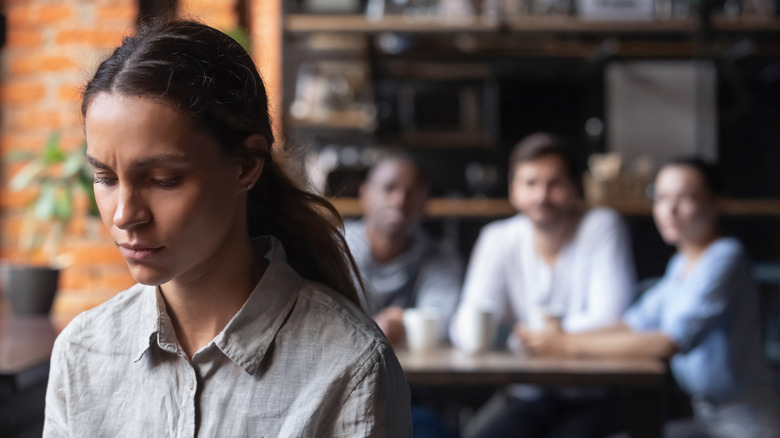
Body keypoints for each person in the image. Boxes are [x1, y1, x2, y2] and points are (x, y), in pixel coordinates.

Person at [43, 20, 410, 437]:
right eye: (105, 178)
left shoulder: (349, 366)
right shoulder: (82, 352)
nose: (125, 215)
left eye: (163, 180)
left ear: (246, 165)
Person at [521, 157, 780, 438]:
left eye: (687, 198)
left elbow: (667, 342)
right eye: (661, 198)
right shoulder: (681, 264)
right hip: (706, 417)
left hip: (746, 423)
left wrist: (565, 344)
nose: (670, 210)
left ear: (716, 204)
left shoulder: (725, 257)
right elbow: (634, 322)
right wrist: (558, 335)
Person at [452, 133, 636, 438]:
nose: (541, 196)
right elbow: (473, 319)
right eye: (530, 183)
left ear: (575, 187)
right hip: (526, 392)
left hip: (593, 393)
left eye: (555, 183)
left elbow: (612, 318)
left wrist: (531, 336)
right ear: (513, 190)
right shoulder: (497, 238)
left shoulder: (602, 225)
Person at [344, 153, 463, 345]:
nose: (400, 200)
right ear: (365, 194)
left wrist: (402, 326)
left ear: (426, 202)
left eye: (413, 192)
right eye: (389, 188)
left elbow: (443, 321)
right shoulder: (334, 248)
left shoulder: (441, 257)